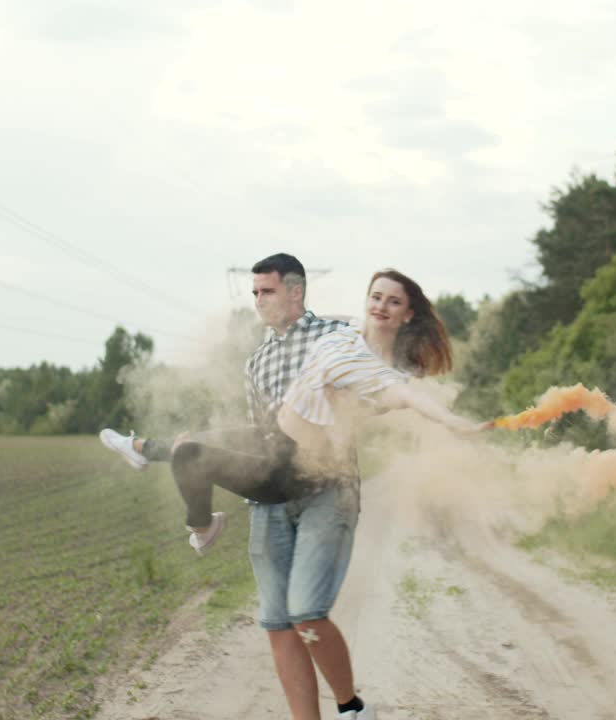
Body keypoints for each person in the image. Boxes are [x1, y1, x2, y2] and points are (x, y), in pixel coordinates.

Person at [99, 257, 483, 720]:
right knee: (278, 623)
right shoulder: (257, 360)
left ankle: (352, 709)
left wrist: (441, 413)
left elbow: (387, 381)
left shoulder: (336, 337)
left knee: (306, 612)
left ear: (296, 292)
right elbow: (262, 431)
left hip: (326, 486)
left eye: (267, 291)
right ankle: (152, 450)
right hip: (274, 487)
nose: (258, 300)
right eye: (254, 292)